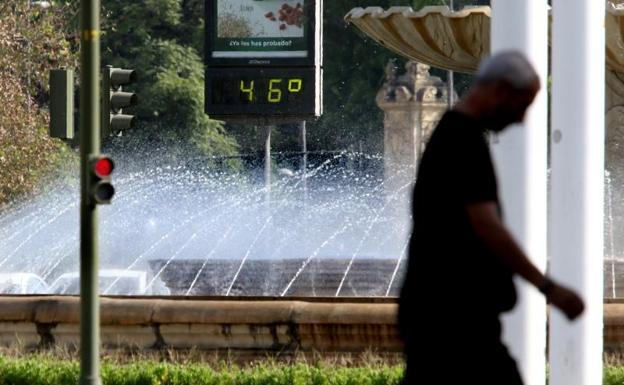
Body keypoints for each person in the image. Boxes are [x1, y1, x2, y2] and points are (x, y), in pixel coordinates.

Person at [398, 51, 585, 385]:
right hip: (454, 320)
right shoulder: (463, 140)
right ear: (501, 89)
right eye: (523, 105)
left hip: (440, 314)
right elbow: (487, 226)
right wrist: (548, 288)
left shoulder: (452, 133)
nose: (522, 118)